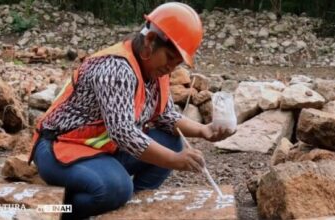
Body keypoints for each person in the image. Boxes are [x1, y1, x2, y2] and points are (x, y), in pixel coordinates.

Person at [28, 2, 234, 219]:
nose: (171, 68)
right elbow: (124, 133)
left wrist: (204, 130)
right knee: (115, 188)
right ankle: (60, 211)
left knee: (171, 141)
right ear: (150, 41)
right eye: (170, 58)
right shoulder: (116, 68)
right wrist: (175, 160)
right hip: (59, 148)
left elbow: (165, 116)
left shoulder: (155, 70)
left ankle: (127, 210)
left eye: (177, 63)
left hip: (102, 150)